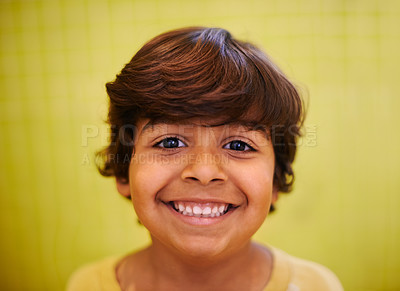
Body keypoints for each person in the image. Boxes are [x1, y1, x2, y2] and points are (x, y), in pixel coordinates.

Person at [67, 27, 343, 291]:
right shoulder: (85, 286)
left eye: (238, 145)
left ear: (276, 181)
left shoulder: (317, 286)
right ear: (124, 171)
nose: (204, 171)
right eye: (170, 142)